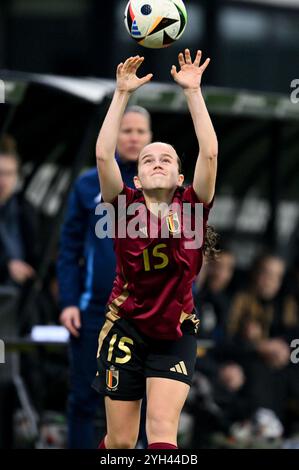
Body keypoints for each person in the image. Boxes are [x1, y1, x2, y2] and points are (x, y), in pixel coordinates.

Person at [93, 49, 218, 450]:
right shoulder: (123, 206)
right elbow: (102, 155)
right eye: (149, 159)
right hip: (126, 327)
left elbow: (210, 153)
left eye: (167, 158)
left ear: (181, 175)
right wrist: (121, 94)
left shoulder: (193, 207)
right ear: (139, 177)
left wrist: (193, 92)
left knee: (162, 433)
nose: (157, 162)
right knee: (121, 443)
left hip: (174, 330)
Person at [57, 106, 152, 448]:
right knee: (84, 396)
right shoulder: (87, 183)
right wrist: (68, 302)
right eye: (126, 130)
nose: (133, 137)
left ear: (150, 137)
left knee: (141, 402)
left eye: (140, 131)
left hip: (146, 312)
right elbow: (68, 248)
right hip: (95, 310)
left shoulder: (163, 182)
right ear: (113, 134)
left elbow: (186, 252)